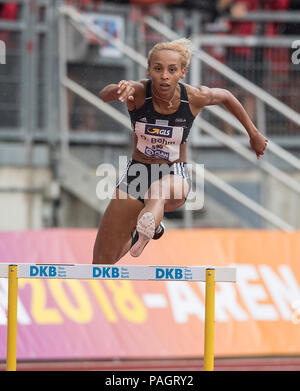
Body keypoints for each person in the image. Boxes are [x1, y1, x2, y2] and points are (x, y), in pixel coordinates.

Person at [92, 38, 268, 264]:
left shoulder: (194, 97)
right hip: (137, 173)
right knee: (101, 262)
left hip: (173, 173)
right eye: (158, 69)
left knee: (158, 190)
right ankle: (142, 230)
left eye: (171, 70)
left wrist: (253, 134)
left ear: (182, 73)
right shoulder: (137, 91)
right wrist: (117, 89)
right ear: (149, 71)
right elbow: (104, 95)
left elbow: (226, 96)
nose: (164, 75)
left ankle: (146, 228)